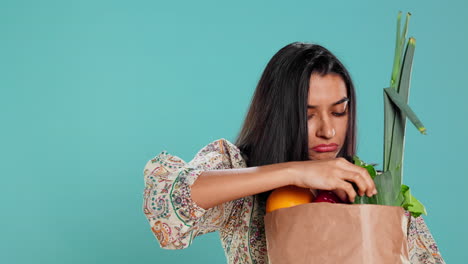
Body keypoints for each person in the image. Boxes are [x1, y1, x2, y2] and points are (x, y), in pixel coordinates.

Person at [142, 42, 445, 263]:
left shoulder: (374, 190)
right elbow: (168, 205)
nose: (327, 130)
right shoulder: (240, 172)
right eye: (308, 114)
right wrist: (294, 171)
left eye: (339, 112)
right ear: (279, 114)